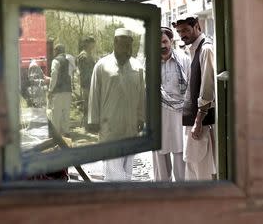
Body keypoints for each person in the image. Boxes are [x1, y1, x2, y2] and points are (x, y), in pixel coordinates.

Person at [88, 28, 145, 181]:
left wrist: (141, 117)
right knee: (113, 171)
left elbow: (141, 96)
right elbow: (94, 94)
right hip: (109, 129)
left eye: (130, 46)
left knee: (127, 169)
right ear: (115, 43)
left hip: (130, 127)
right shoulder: (102, 65)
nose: (127, 49)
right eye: (124, 45)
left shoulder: (137, 67)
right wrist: (93, 121)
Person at [174, 17, 216, 180]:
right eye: (179, 32)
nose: (182, 35)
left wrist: (198, 121)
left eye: (185, 30)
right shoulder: (192, 49)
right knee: (192, 166)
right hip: (193, 120)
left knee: (201, 169)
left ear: (197, 26)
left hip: (202, 121)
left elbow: (207, 88)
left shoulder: (205, 49)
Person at [153, 27, 190, 182]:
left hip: (179, 114)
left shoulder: (184, 60)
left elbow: (191, 86)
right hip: (158, 113)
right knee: (159, 153)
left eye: (165, 41)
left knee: (180, 151)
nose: (162, 46)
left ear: (171, 41)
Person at [47, 44, 72, 137]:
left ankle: (55, 135)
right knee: (66, 112)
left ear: (57, 51)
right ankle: (66, 132)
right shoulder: (69, 60)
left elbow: (54, 75)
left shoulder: (55, 60)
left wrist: (50, 90)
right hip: (68, 90)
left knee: (56, 113)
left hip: (58, 91)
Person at [76, 36, 96, 129]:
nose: (94, 45)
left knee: (91, 104)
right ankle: (87, 126)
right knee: (87, 104)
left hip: (91, 83)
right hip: (87, 83)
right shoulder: (83, 56)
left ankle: (90, 124)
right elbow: (84, 72)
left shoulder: (89, 54)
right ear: (88, 44)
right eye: (93, 43)